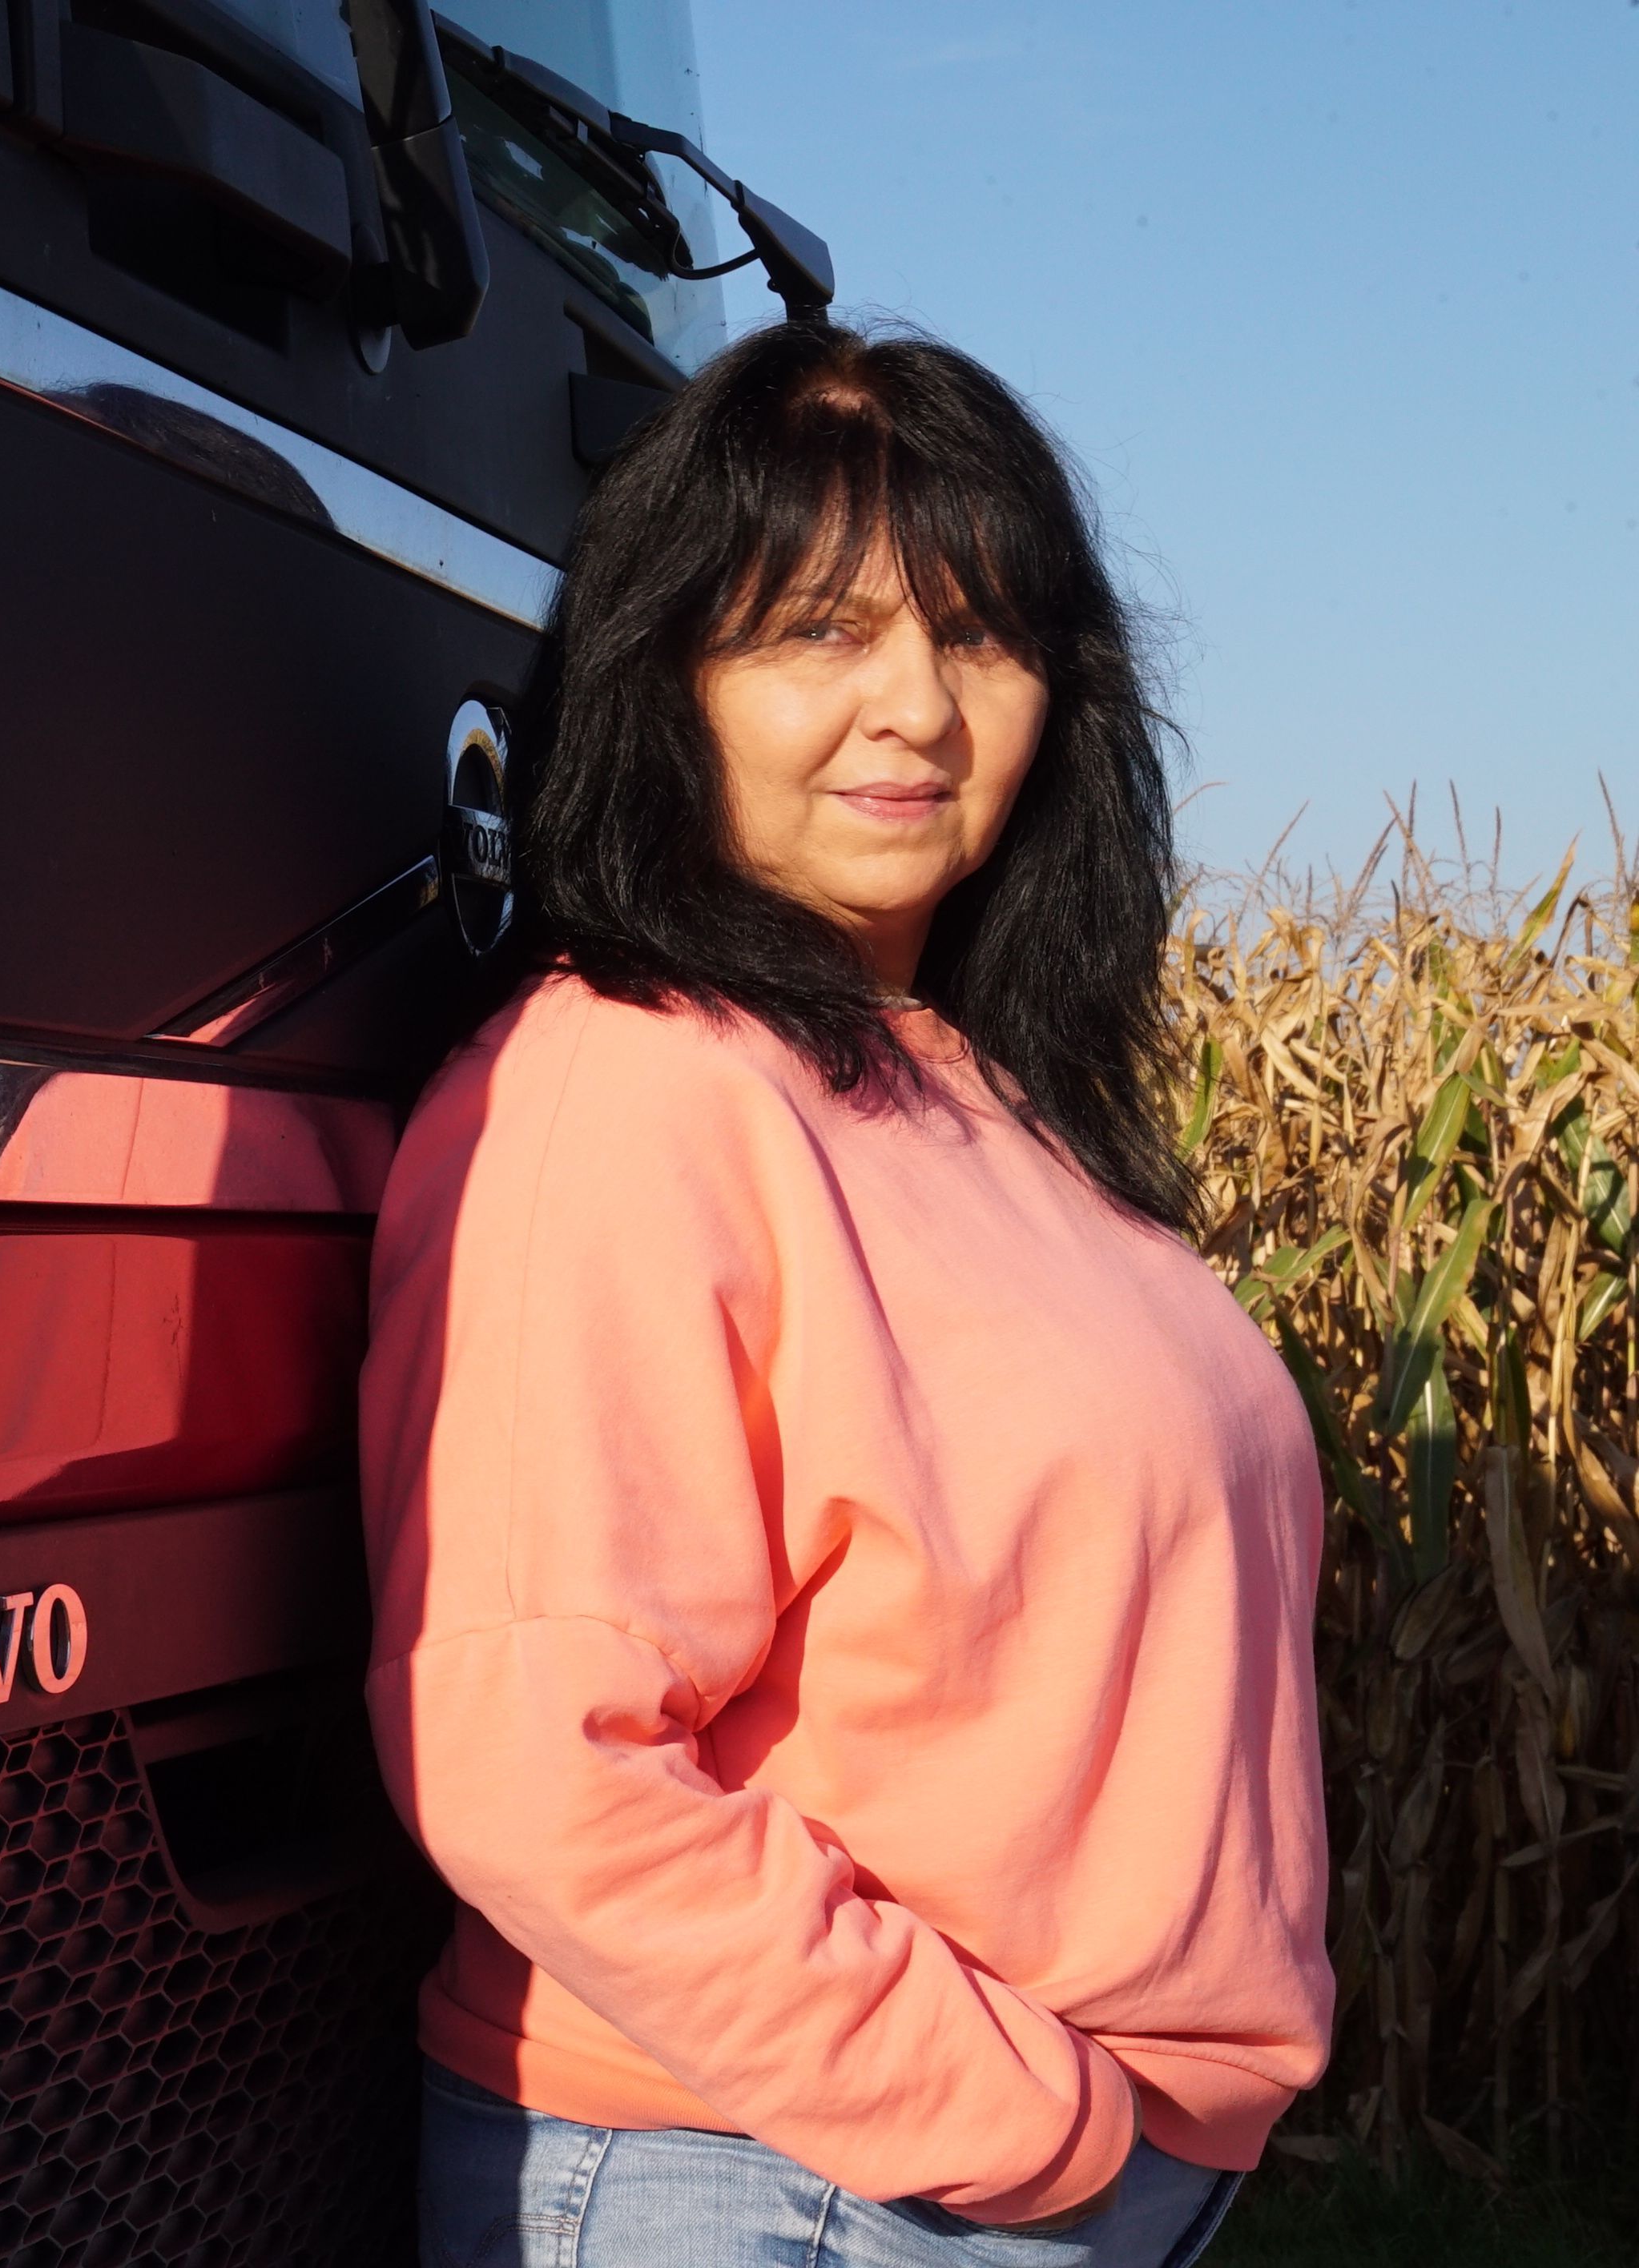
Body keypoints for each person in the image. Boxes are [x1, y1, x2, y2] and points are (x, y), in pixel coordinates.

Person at [358, 320, 1330, 2267]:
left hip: (1014, 2174)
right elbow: (536, 1761)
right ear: (669, 683)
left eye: (977, 637)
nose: (915, 710)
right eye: (815, 633)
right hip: (794, 2183)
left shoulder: (969, 1086)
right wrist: (1022, 2119)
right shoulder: (627, 1088)